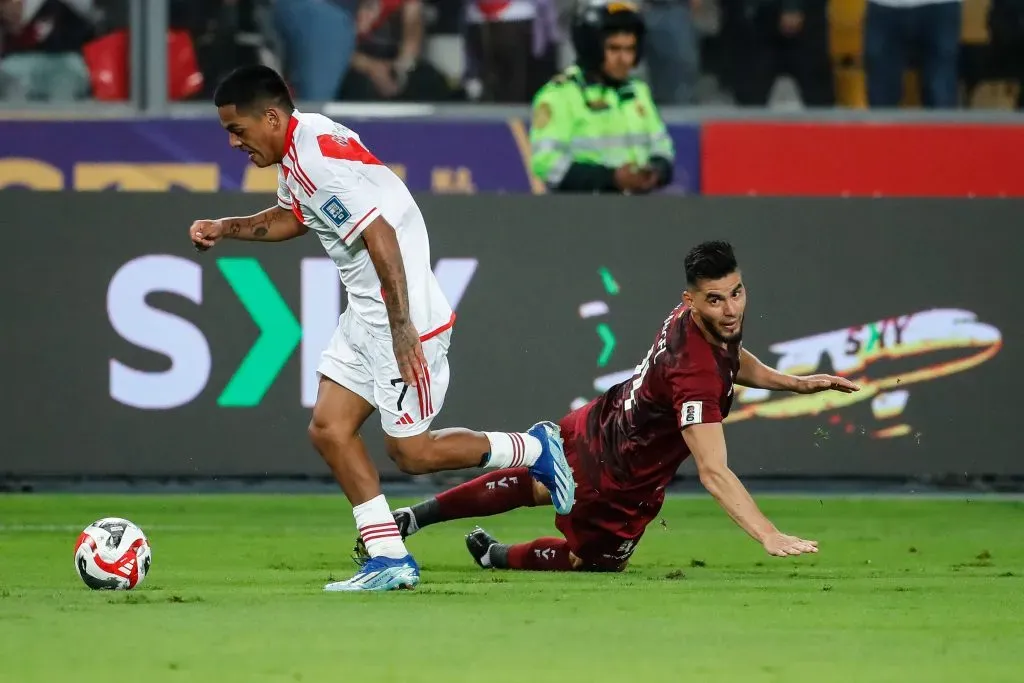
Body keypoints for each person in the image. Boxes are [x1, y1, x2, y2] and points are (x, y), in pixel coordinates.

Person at [188, 65, 575, 591]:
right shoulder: (303, 145)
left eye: (237, 130)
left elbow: (381, 236)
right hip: (366, 314)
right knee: (329, 429)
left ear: (272, 117)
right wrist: (226, 228)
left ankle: (532, 450)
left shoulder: (315, 161)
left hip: (400, 317)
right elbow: (294, 218)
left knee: (411, 453)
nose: (233, 142)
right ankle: (389, 557)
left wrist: (401, 327)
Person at [355, 241, 860, 572]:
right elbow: (713, 471)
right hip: (621, 477)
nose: (730, 310)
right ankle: (497, 556)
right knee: (592, 562)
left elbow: (732, 360)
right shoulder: (696, 374)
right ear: (691, 299)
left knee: (535, 482)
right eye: (716, 300)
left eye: (737, 293)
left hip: (602, 420)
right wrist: (767, 534)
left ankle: (415, 517)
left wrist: (793, 384)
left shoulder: (693, 321)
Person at [529, 0, 676, 194]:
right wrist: (611, 179)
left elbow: (662, 147)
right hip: (582, 212)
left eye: (630, 49)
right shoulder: (560, 95)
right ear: (591, 49)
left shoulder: (638, 92)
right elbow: (545, 163)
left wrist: (655, 172)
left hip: (637, 210)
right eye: (614, 49)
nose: (624, 60)